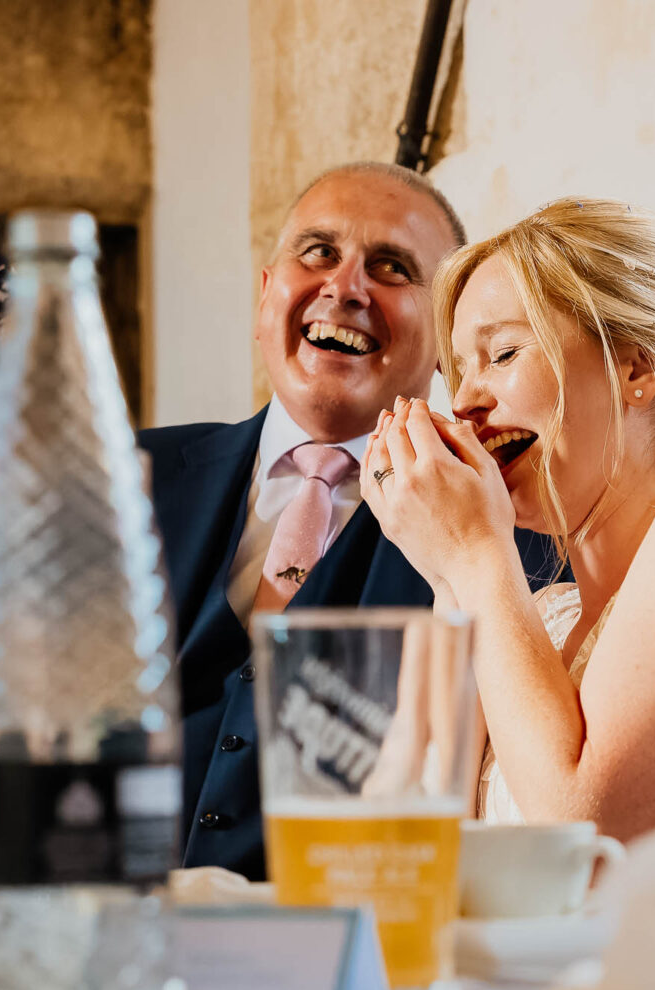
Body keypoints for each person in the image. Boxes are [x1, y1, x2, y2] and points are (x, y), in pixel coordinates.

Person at [359, 198, 655, 839]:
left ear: (636, 366)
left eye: (500, 355)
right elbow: (395, 842)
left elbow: (583, 832)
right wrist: (445, 574)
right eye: (455, 373)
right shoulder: (539, 615)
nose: (465, 402)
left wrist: (475, 557)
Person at [139, 162, 557, 879]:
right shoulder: (127, 472)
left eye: (392, 267)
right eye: (318, 252)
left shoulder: (517, 527)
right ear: (266, 295)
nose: (345, 287)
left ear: (445, 338)